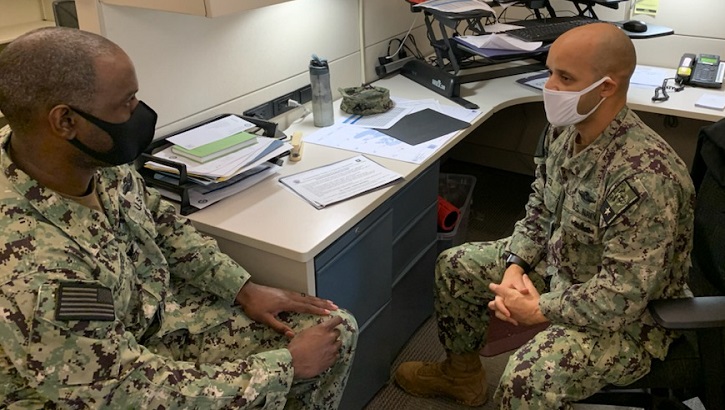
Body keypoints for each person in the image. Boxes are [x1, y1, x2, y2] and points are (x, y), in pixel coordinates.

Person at [0, 27, 357, 409]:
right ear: (65, 122)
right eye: (127, 102)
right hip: (94, 388)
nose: (140, 112)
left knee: (334, 330)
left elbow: (160, 222)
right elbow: (122, 391)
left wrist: (242, 288)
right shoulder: (35, 267)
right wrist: (286, 367)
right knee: (302, 358)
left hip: (152, 317)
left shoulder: (86, 158)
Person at [394, 22, 695, 408]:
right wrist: (516, 264)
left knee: (526, 379)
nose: (549, 86)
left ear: (606, 87)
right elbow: (540, 208)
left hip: (628, 320)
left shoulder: (644, 177)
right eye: (549, 71)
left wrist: (539, 309)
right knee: (456, 266)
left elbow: (624, 295)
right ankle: (462, 377)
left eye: (565, 77)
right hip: (561, 266)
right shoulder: (564, 131)